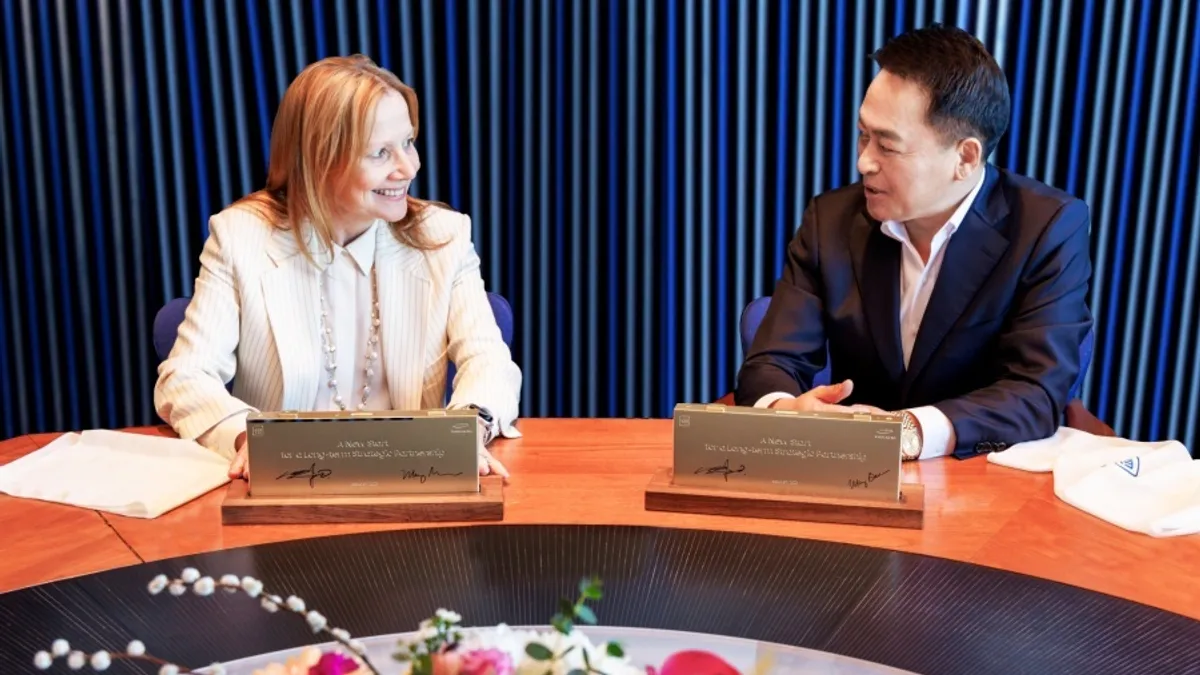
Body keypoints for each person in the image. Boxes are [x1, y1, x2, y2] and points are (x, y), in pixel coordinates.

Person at [734, 24, 1093, 460]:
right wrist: (788, 411)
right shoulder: (830, 220)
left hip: (980, 482)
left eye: (887, 145)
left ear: (964, 157)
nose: (863, 161)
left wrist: (910, 431)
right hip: (850, 476)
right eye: (863, 135)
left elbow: (1037, 390)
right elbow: (771, 361)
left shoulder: (1045, 227)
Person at [154, 55, 522, 478]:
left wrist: (468, 431)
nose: (410, 167)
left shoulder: (445, 236)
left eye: (409, 142)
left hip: (412, 487)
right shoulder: (240, 237)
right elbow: (185, 377)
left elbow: (488, 361)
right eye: (381, 152)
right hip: (282, 491)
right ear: (319, 160)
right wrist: (245, 440)